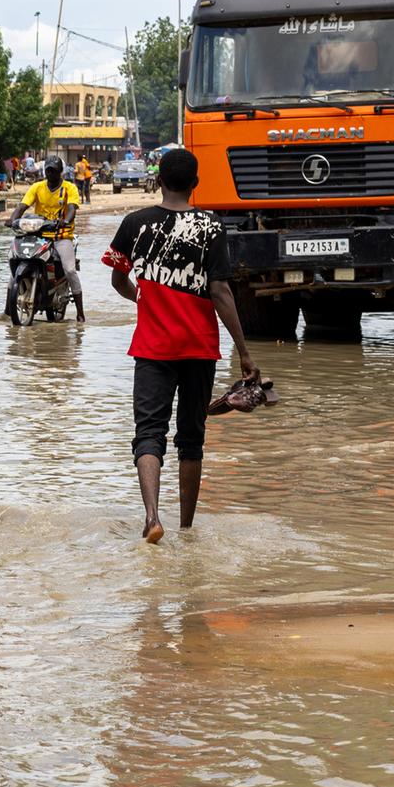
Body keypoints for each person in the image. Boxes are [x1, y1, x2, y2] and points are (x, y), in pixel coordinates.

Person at [105, 148, 257, 544]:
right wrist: (244, 352)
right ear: (195, 184)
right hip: (199, 348)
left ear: (157, 180)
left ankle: (153, 517)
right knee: (191, 438)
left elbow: (118, 278)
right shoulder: (211, 226)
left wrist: (139, 296)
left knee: (148, 433)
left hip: (153, 348)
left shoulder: (135, 223)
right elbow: (220, 291)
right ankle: (186, 529)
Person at [9, 157, 86, 322]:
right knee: (15, 260)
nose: (50, 173)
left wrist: (67, 220)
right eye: (48, 170)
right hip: (37, 234)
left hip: (61, 235)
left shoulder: (70, 188)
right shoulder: (37, 187)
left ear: (60, 172)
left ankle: (80, 313)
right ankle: (8, 309)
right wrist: (13, 219)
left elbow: (72, 208)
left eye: (54, 170)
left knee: (70, 270)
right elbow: (22, 206)